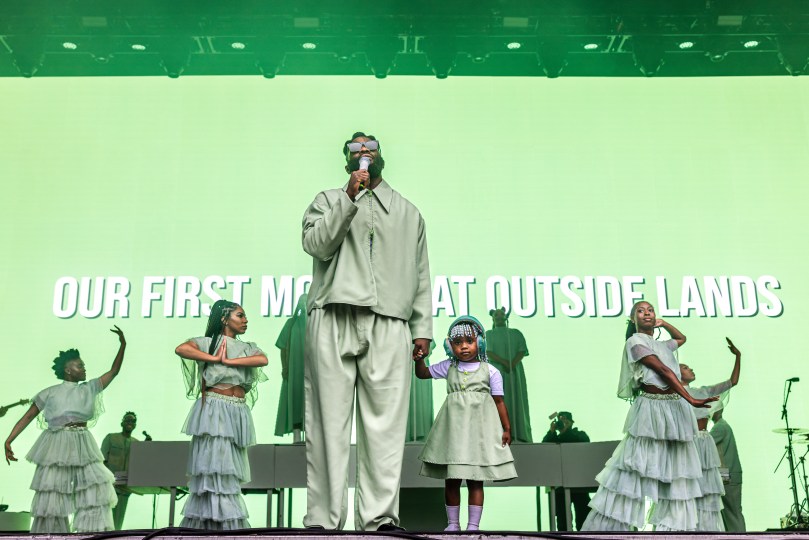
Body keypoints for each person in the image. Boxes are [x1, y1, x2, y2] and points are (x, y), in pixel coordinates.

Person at [301, 132, 432, 531]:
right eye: (356, 150)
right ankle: (323, 519)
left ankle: (379, 518)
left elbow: (421, 272)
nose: (363, 153)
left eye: (369, 148)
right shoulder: (327, 200)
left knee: (386, 427)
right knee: (327, 424)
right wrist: (348, 197)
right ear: (347, 161)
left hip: (390, 321)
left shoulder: (408, 212)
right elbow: (317, 245)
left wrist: (422, 327)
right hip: (333, 314)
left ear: (380, 157)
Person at [581, 301, 717, 531]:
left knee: (677, 469)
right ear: (632, 319)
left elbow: (681, 338)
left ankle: (673, 530)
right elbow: (663, 371)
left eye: (651, 310)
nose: (647, 313)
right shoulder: (635, 342)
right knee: (634, 467)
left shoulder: (662, 345)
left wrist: (664, 323)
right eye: (641, 311)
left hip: (674, 408)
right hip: (651, 407)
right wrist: (690, 398)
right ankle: (609, 531)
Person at [4, 327, 126, 533]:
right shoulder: (49, 393)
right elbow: (27, 416)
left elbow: (113, 371)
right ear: (68, 370)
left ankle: (91, 533)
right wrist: (9, 440)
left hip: (82, 441)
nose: (84, 368)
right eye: (80, 365)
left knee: (95, 487)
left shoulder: (89, 388)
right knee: (52, 490)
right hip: (56, 442)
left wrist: (123, 345)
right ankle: (51, 535)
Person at [414, 316, 516, 531]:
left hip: (478, 434)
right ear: (449, 346)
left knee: (475, 479)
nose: (464, 347)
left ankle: (473, 526)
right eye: (458, 342)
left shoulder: (491, 371)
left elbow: (499, 402)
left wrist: (507, 428)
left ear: (480, 342)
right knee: (451, 478)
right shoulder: (448, 367)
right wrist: (419, 360)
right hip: (453, 433)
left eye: (469, 341)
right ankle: (453, 524)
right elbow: (422, 374)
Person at [174, 300, 268, 530]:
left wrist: (230, 360)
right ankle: (213, 522)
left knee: (228, 469)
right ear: (225, 319)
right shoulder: (208, 343)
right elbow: (181, 349)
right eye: (240, 315)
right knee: (215, 464)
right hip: (216, 407)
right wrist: (216, 358)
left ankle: (223, 522)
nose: (245, 320)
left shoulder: (246, 347)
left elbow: (262, 359)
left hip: (237, 410)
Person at [680, 337, 741, 531]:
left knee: (705, 489)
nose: (690, 369)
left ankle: (705, 530)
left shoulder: (703, 391)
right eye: (685, 367)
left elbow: (732, 381)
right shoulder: (673, 396)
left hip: (703, 443)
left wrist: (738, 357)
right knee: (687, 488)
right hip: (687, 443)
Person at [486, 307, 533, 442]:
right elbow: (488, 352)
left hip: (514, 371)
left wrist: (512, 363)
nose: (499, 317)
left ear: (506, 317)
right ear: (493, 318)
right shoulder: (488, 334)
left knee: (516, 398)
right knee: (499, 399)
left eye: (501, 314)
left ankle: (519, 433)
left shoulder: (515, 333)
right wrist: (505, 362)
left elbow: (522, 350)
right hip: (497, 370)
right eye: (496, 315)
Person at [100, 411, 152, 530]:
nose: (130, 422)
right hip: (108, 486)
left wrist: (146, 447)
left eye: (133, 421)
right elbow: (101, 461)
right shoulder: (111, 438)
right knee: (103, 520)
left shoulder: (137, 443)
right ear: (122, 423)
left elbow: (141, 464)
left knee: (117, 524)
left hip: (124, 488)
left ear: (135, 425)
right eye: (127, 420)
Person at [542, 411, 590, 530]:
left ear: (571, 422)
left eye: (565, 420)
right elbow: (543, 447)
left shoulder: (579, 435)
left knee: (583, 519)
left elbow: (583, 442)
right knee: (562, 521)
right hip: (560, 484)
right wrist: (551, 431)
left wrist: (565, 431)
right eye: (560, 420)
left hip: (579, 483)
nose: (562, 423)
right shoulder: (554, 438)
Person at [274, 294, 307, 442]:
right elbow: (282, 347)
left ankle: (311, 435)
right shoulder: (291, 323)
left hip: (311, 370)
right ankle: (296, 434)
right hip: (293, 370)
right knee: (295, 399)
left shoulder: (316, 323)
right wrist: (285, 368)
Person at [711, 404, 746, 531]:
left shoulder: (720, 427)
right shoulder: (722, 426)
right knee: (730, 513)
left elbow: (704, 443)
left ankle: (740, 537)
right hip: (727, 473)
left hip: (727, 473)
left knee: (732, 512)